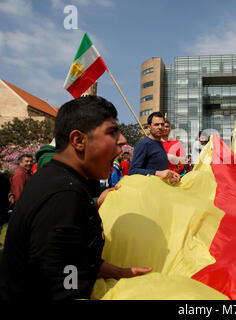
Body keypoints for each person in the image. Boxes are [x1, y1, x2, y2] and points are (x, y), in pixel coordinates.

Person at [0, 96, 152, 300]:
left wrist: (119, 272)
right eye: (111, 132)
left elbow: (74, 258)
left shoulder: (62, 181)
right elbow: (66, 285)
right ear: (79, 140)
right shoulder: (64, 197)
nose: (123, 140)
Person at [129, 112, 180, 184]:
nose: (160, 127)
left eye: (162, 124)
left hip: (160, 190)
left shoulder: (160, 144)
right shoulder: (144, 144)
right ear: (149, 127)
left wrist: (170, 174)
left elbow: (159, 170)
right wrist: (157, 173)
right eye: (156, 124)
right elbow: (133, 171)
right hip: (147, 191)